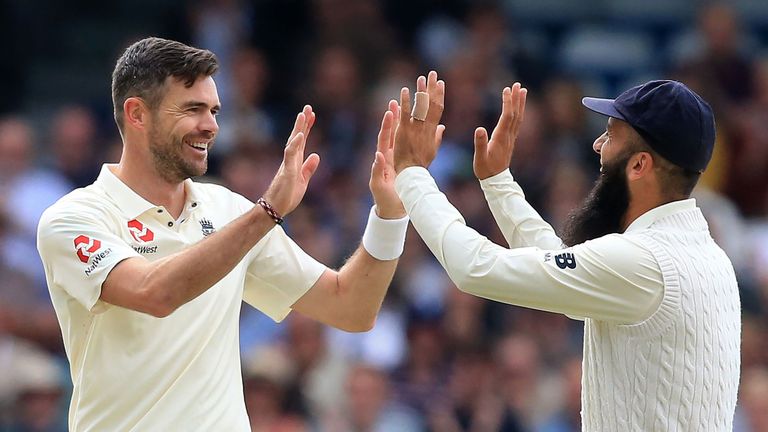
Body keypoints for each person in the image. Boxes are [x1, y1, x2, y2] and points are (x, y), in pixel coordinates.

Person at [36, 37, 409, 431]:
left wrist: (389, 213)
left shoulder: (229, 211)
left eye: (214, 110)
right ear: (137, 114)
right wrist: (267, 213)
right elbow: (155, 293)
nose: (211, 125)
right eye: (193, 109)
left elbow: (350, 307)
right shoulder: (73, 218)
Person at [392, 72, 741, 430]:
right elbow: (564, 264)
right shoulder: (707, 256)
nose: (597, 145)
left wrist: (411, 173)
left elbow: (475, 268)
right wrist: (498, 183)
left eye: (610, 135)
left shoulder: (645, 261)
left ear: (639, 165)